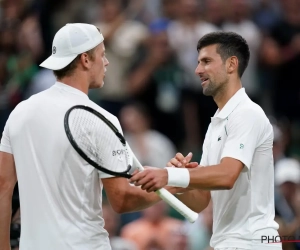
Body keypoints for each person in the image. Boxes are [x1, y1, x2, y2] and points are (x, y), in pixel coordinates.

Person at [0, 23, 182, 250]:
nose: (106, 62)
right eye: (102, 55)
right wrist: (172, 185)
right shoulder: (101, 119)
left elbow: (3, 187)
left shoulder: (19, 112)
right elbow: (122, 199)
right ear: (86, 59)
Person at [130, 31, 282, 250]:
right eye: (198, 62)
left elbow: (227, 175)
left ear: (231, 64)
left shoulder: (247, 113)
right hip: (227, 242)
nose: (197, 70)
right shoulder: (216, 124)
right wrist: (182, 182)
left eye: (206, 61)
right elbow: (202, 202)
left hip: (252, 242)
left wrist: (170, 174)